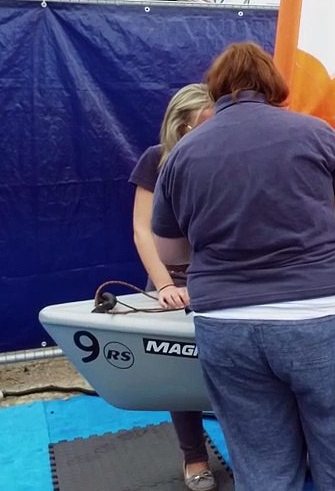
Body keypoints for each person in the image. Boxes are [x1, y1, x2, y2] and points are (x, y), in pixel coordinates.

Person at [151, 42, 335, 490]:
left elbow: (171, 253)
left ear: (215, 90)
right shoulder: (318, 136)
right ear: (275, 86)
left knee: (264, 470)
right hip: (323, 321)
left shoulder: (182, 155)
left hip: (227, 327)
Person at [130, 83, 217, 491]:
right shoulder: (156, 160)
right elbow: (142, 230)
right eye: (207, 122)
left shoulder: (225, 156)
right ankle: (194, 456)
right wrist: (164, 285)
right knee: (179, 369)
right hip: (174, 280)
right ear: (183, 127)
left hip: (218, 277)